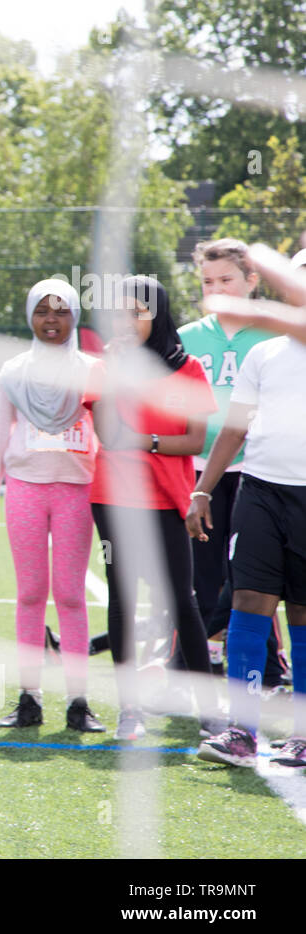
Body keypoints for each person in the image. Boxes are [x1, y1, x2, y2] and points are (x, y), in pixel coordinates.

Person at [189, 247, 306, 767]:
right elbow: (235, 427)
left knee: (302, 612)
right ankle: (241, 731)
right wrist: (202, 490)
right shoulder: (265, 355)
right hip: (258, 490)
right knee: (248, 603)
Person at [88, 276, 219, 741]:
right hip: (112, 500)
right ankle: (130, 711)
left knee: (181, 599)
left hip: (167, 500)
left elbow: (195, 440)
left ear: (157, 314)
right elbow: (106, 433)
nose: (126, 321)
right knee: (122, 598)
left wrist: (146, 442)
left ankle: (209, 714)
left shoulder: (187, 371)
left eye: (136, 312)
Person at [0, 280, 104, 731]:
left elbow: (108, 437)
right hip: (27, 489)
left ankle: (78, 702)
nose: (52, 320)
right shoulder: (14, 370)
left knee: (70, 595)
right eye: (43, 311)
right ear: (30, 315)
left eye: (62, 311)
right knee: (30, 594)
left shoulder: (92, 371)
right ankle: (28, 699)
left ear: (75, 316)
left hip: (76, 490)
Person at [178, 239, 288, 689]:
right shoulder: (187, 338)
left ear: (251, 281)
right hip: (199, 470)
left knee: (249, 574)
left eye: (226, 279)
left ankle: (267, 665)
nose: (217, 288)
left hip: (257, 471)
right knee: (204, 573)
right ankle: (203, 663)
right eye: (207, 281)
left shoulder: (275, 336)